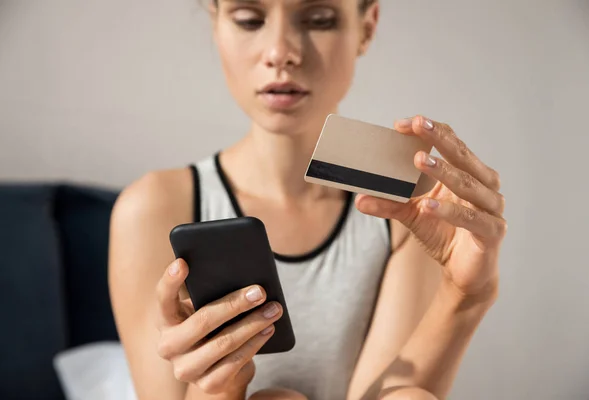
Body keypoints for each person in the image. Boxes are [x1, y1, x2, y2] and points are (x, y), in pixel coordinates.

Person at [108, 0, 507, 399]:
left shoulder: (404, 209)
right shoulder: (153, 208)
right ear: (216, 24)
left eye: (319, 20)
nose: (281, 52)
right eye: (249, 20)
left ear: (366, 27)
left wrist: (466, 294)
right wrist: (218, 387)